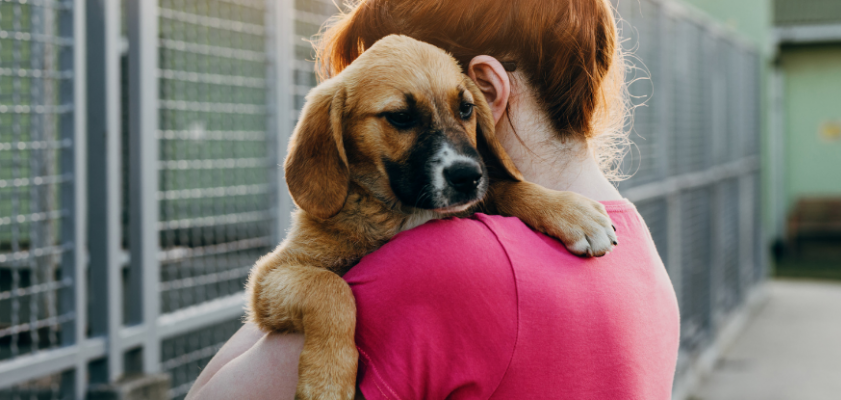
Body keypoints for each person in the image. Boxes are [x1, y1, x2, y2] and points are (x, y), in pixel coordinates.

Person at [186, 0, 679, 398]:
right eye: (399, 113)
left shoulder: (445, 265)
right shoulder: (637, 248)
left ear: (485, 91)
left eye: (462, 107)